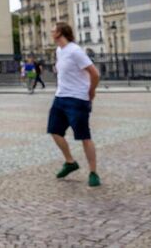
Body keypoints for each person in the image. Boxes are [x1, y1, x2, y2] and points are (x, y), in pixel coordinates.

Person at [47, 23, 101, 187]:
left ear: (60, 33)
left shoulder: (75, 51)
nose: (51, 32)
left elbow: (95, 73)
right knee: (54, 131)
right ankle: (70, 162)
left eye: (53, 30)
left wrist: (91, 91)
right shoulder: (59, 50)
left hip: (77, 99)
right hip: (60, 97)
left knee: (84, 136)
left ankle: (93, 172)